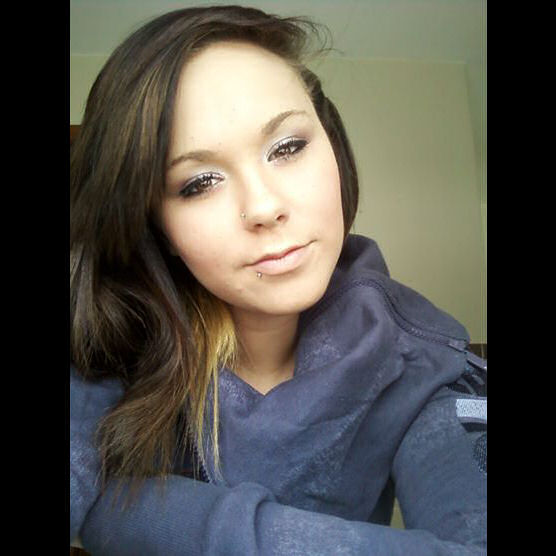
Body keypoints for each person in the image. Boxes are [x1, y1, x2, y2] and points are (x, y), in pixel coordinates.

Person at [70, 5, 487, 555]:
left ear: (331, 143)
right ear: (157, 225)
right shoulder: (111, 337)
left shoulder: (422, 357)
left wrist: (129, 510)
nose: (264, 207)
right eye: (199, 182)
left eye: (287, 148)